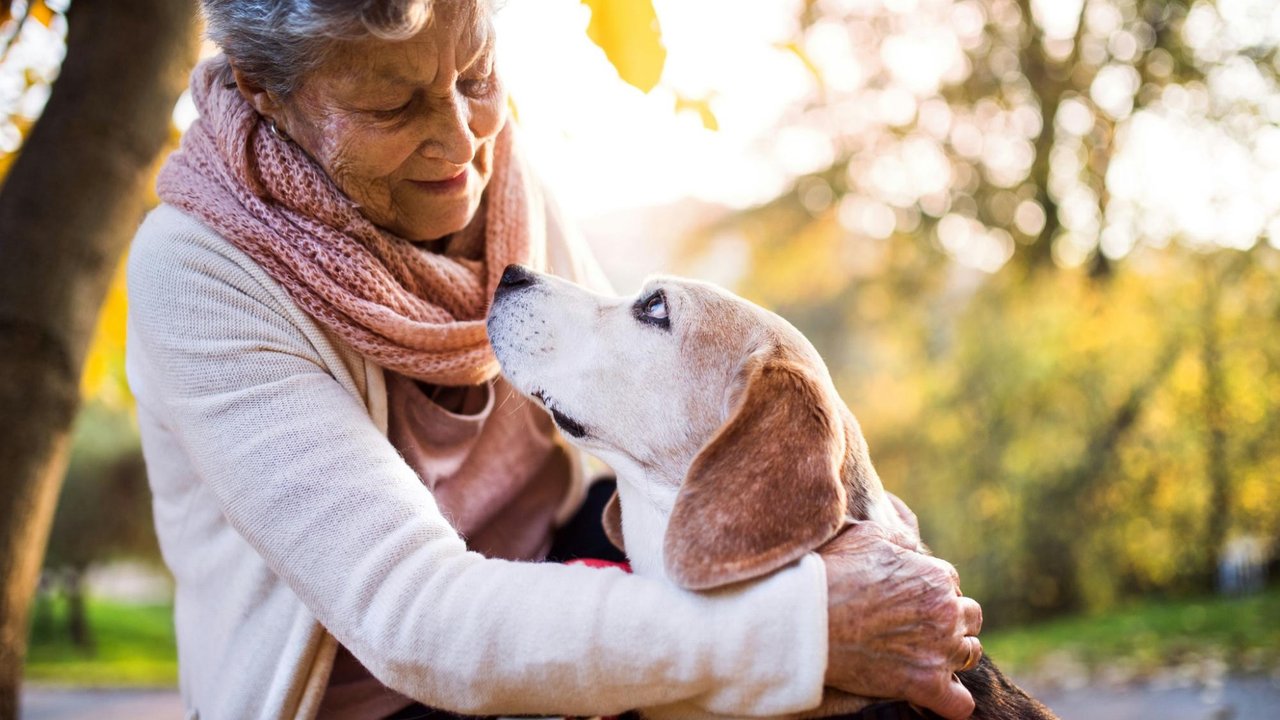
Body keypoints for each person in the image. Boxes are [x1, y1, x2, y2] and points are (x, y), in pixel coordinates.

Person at [124, 1, 984, 718]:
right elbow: (411, 616)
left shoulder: (496, 173)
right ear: (263, 91)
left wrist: (870, 554)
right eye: (393, 107)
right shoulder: (196, 275)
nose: (463, 142)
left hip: (563, 554)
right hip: (381, 690)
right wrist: (805, 626)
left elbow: (635, 408)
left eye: (476, 76)